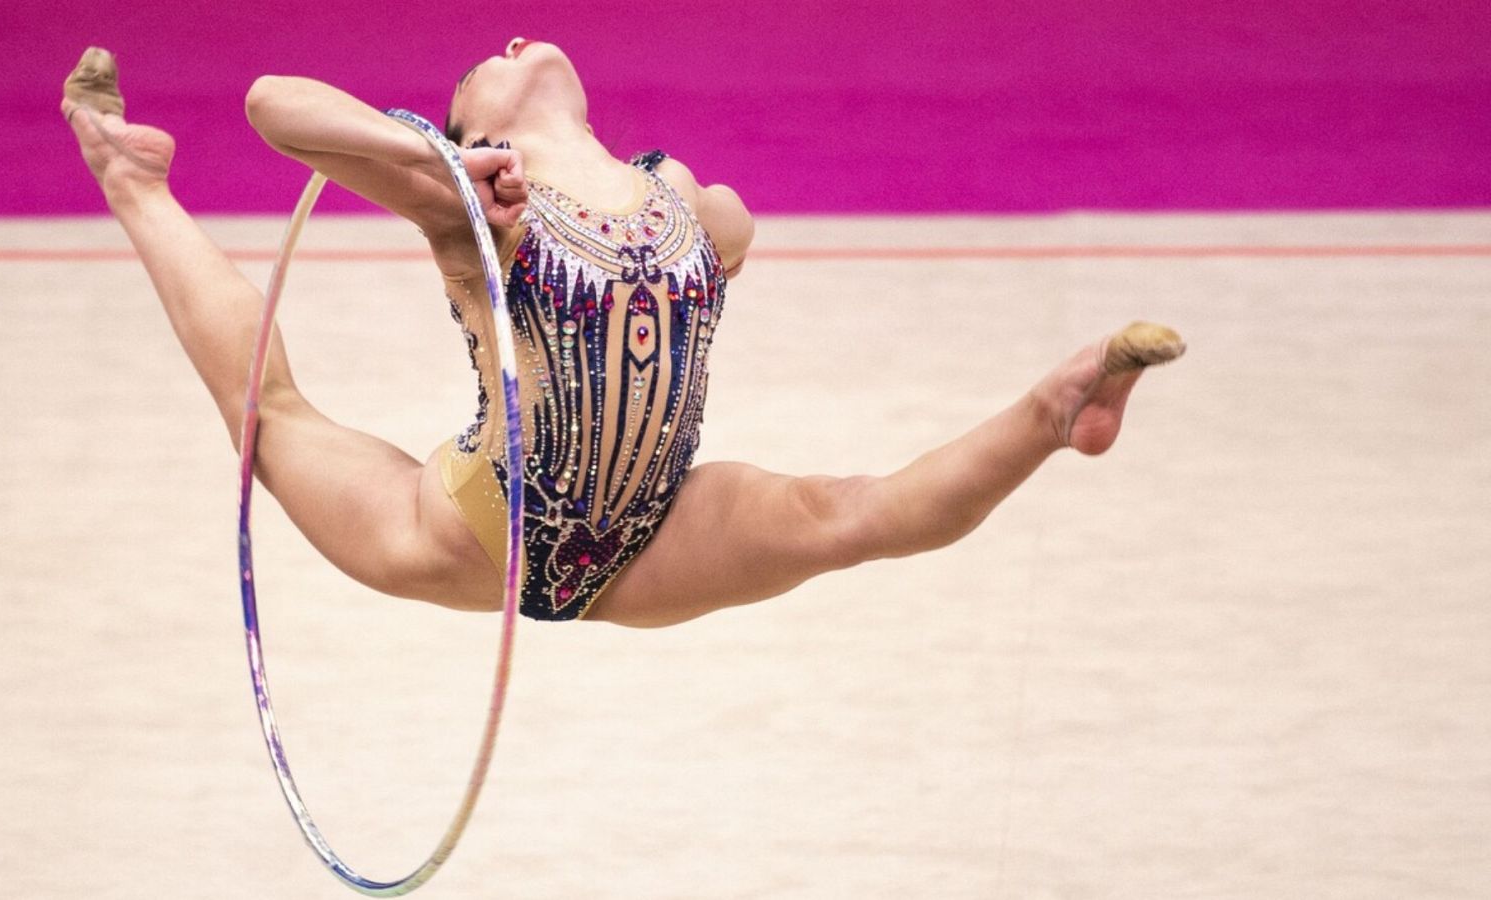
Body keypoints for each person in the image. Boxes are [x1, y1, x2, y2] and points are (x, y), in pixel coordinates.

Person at [61, 41, 1184, 628]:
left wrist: (708, 225)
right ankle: (132, 180)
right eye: (485, 58)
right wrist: (432, 160)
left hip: (654, 534)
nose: (513, 31)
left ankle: (1055, 410)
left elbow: (734, 232)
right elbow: (271, 103)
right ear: (476, 123)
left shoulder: (667, 193)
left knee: (852, 515)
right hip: (476, 530)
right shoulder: (472, 195)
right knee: (269, 413)